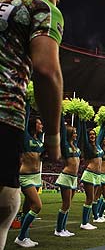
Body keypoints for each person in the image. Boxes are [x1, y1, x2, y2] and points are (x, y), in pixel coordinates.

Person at [0, 0, 63, 248]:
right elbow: (47, 71)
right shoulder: (41, 5)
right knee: (5, 203)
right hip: (4, 111)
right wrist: (53, 136)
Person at [16, 105, 45, 247]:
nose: (41, 125)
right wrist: (28, 102)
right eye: (39, 123)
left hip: (36, 177)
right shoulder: (26, 137)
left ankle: (25, 236)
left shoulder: (40, 141)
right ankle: (21, 237)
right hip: (26, 177)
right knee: (37, 206)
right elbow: (25, 119)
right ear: (33, 125)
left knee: (27, 209)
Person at [54, 117, 81, 237]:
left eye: (76, 133)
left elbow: (80, 131)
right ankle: (58, 230)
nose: (76, 134)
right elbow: (63, 131)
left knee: (68, 204)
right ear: (70, 133)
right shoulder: (65, 145)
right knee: (66, 204)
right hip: (66, 177)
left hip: (73, 178)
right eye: (74, 132)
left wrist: (80, 118)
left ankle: (63, 228)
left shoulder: (75, 146)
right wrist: (61, 115)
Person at [80, 122, 105, 229]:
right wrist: (83, 121)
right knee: (89, 199)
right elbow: (83, 133)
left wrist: (104, 122)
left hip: (97, 176)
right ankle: (84, 223)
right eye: (90, 134)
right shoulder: (87, 146)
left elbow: (102, 132)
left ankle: (87, 221)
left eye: (94, 134)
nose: (92, 136)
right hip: (90, 174)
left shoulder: (99, 146)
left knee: (93, 199)